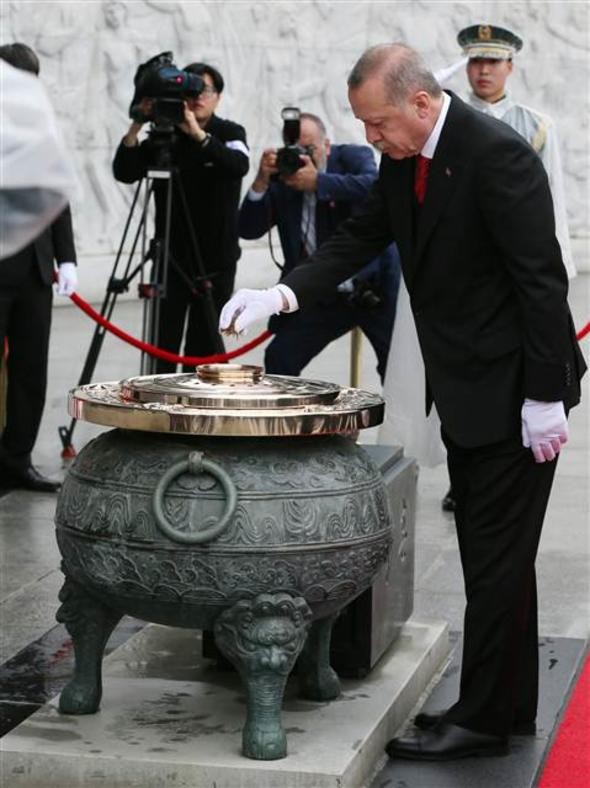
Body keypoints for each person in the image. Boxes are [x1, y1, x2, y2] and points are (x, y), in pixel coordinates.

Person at [220, 43, 586, 761]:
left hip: (514, 390)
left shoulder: (497, 156)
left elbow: (541, 281)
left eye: (378, 122)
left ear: (420, 104)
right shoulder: (405, 155)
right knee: (500, 555)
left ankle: (480, 720)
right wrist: (284, 292)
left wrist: (544, 396)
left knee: (493, 559)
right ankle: (506, 706)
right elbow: (362, 235)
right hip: (472, 384)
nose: (370, 138)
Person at [239, 111, 400, 380]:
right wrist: (261, 181)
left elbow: (374, 185)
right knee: (280, 356)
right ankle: (290, 420)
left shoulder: (350, 157)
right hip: (322, 296)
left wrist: (319, 183)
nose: (303, 156)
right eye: (296, 149)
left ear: (326, 145)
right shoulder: (283, 176)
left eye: (309, 148)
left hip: (374, 289)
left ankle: (400, 422)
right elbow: (248, 229)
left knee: (398, 368)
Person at [112, 61, 249, 372]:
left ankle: (194, 419)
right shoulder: (166, 134)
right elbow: (125, 171)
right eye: (193, 90)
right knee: (163, 347)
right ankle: (159, 416)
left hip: (215, 263)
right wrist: (137, 123)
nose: (199, 97)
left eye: (207, 90)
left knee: (202, 354)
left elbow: (238, 164)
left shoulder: (229, 132)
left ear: (218, 97)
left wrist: (198, 134)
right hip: (170, 260)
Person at [0, 43, 78, 493]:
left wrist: (65, 256)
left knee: (32, 370)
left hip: (34, 271)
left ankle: (16, 460)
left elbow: (56, 196)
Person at [459, 23, 575, 278]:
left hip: (518, 256)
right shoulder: (449, 121)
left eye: (494, 61)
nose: (484, 70)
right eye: (476, 60)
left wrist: (560, 262)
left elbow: (551, 194)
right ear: (467, 66)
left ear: (509, 66)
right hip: (462, 256)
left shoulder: (537, 126)